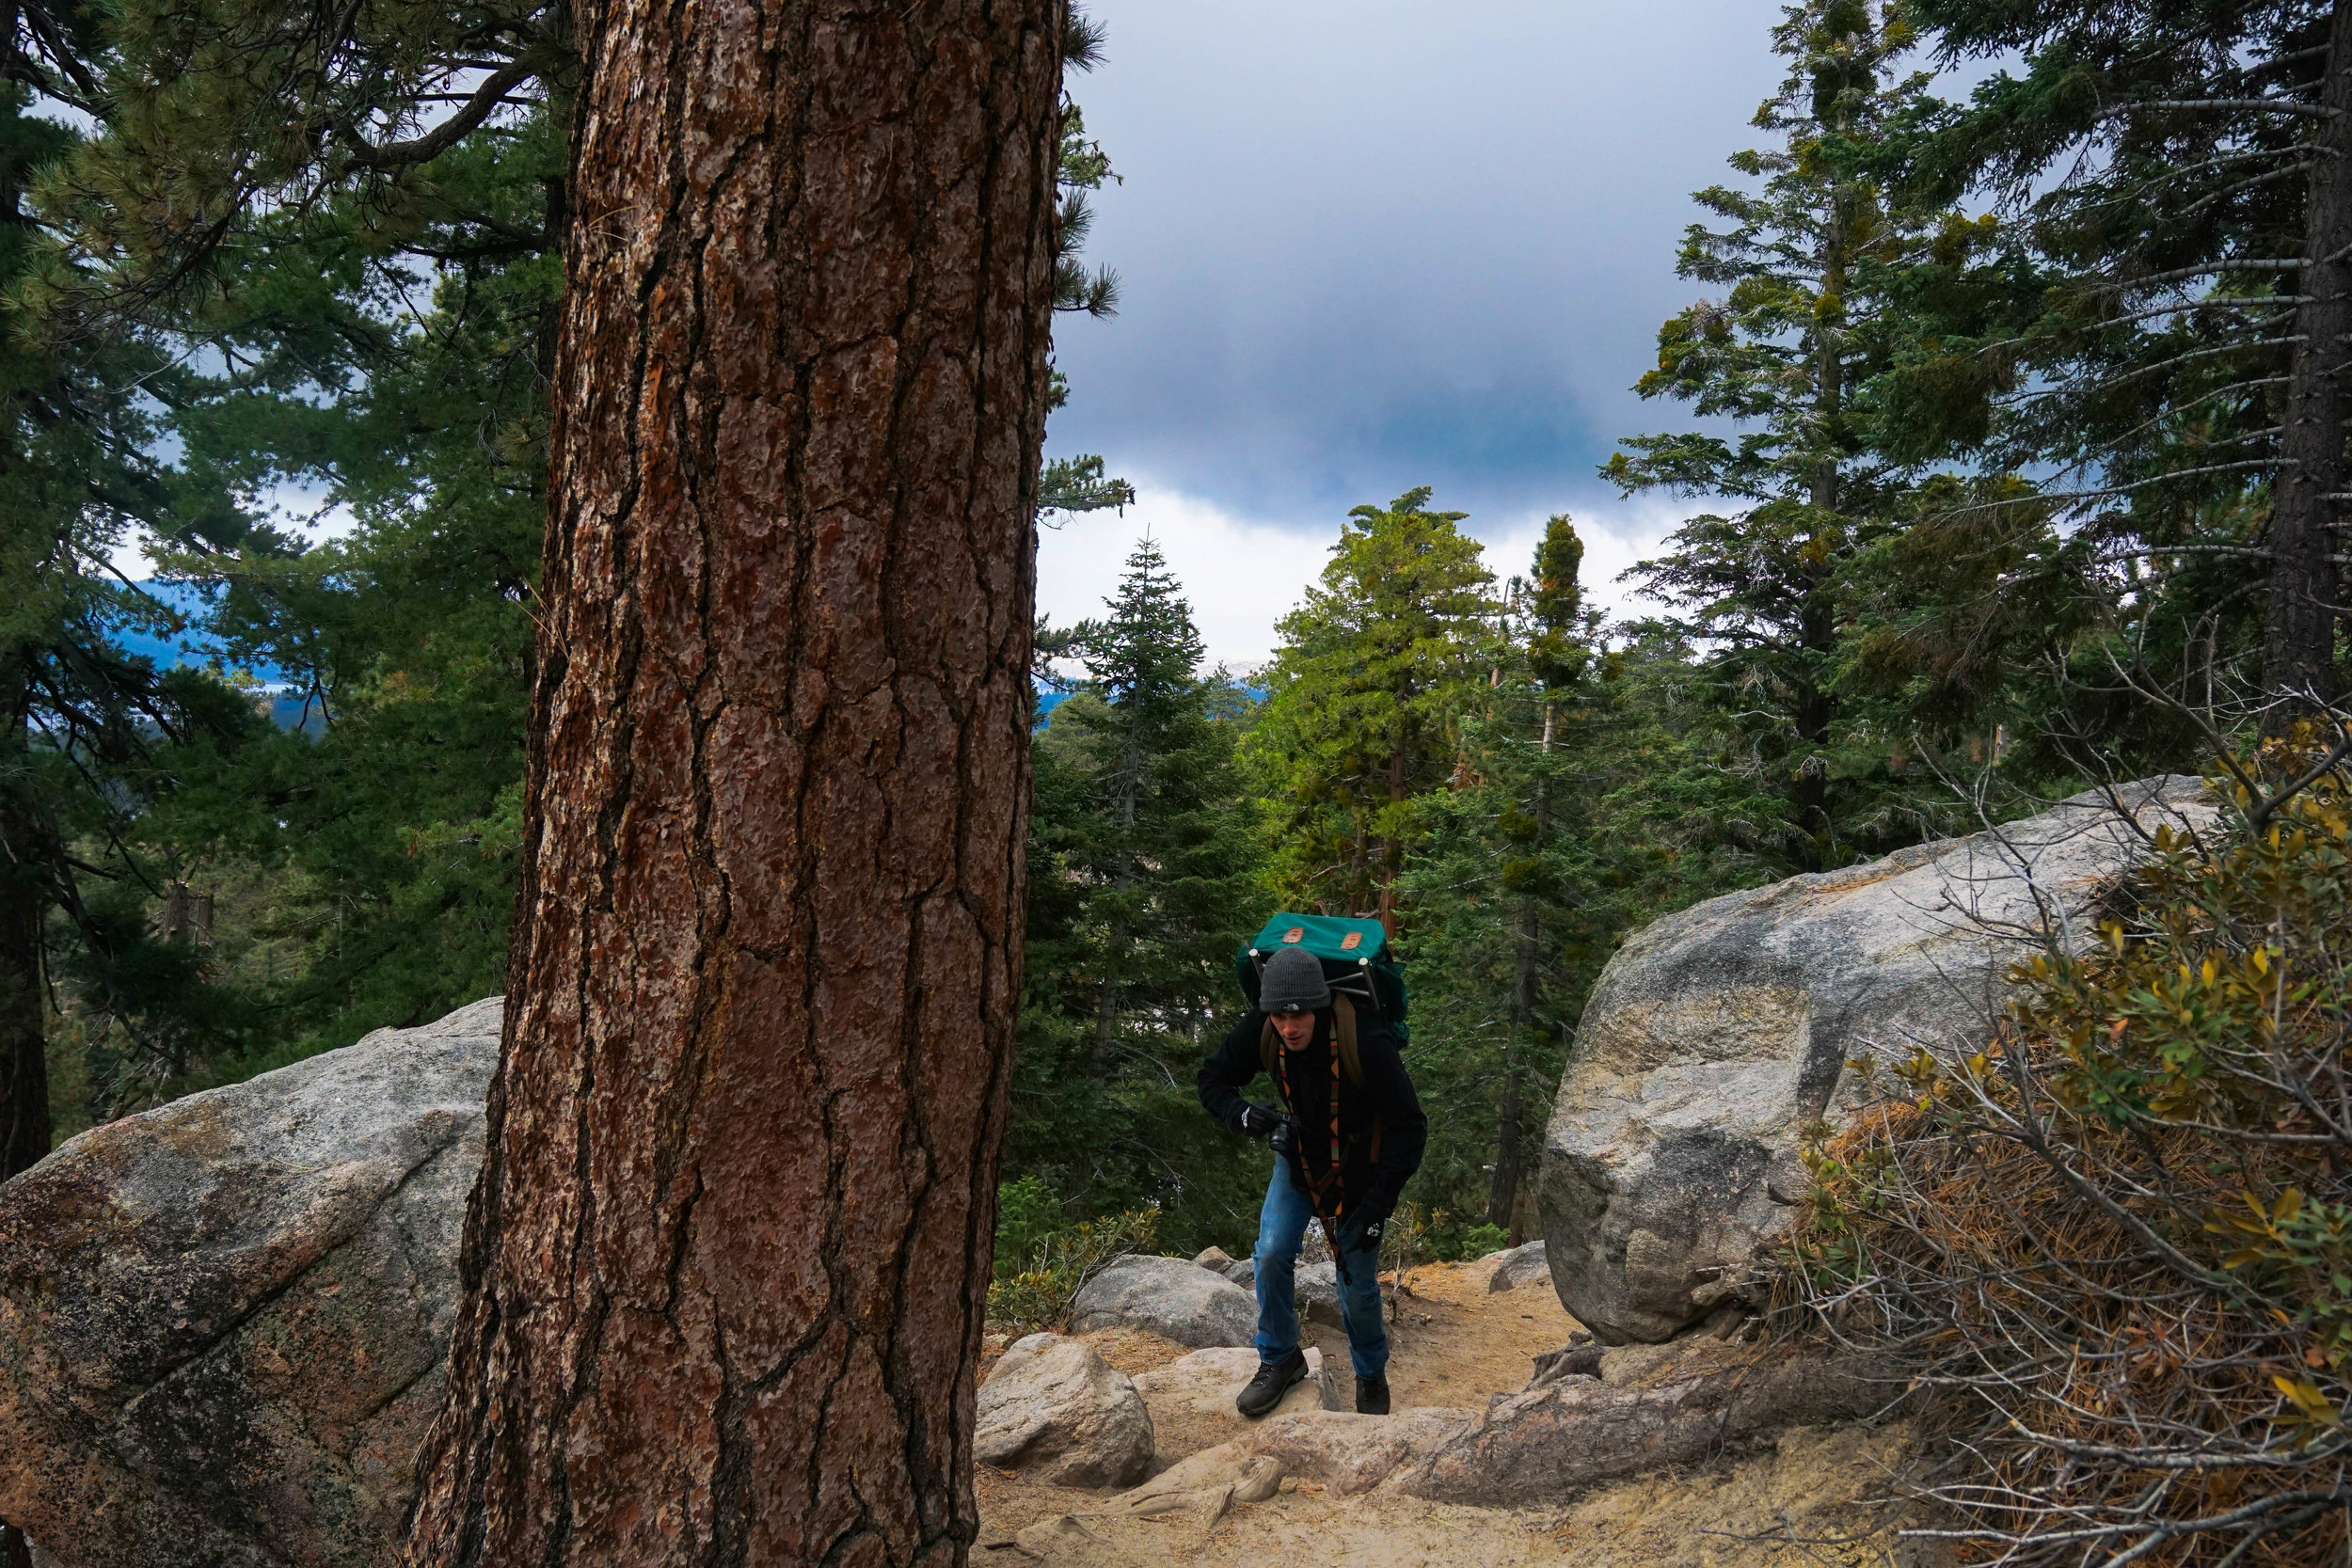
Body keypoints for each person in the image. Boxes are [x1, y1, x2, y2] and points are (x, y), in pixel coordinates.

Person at [1196, 944, 1427, 1418]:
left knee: (1357, 1284)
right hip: (1299, 1157)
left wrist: (1376, 1210)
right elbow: (1212, 1079)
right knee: (1273, 1253)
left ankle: (1369, 1376)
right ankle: (1280, 1359)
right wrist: (1241, 1114)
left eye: (1298, 1014)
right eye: (1278, 1016)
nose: (1288, 1027)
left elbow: (1410, 1126)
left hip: (1362, 1169)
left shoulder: (1366, 1039)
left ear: (1320, 1005)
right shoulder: (1263, 1028)